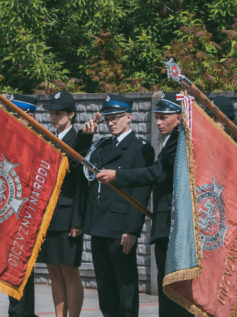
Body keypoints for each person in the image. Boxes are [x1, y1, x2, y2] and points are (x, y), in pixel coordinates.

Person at [95, 92, 191, 317]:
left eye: (163, 117)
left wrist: (118, 176)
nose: (157, 122)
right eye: (156, 117)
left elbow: (156, 174)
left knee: (174, 292)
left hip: (173, 224)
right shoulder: (172, 141)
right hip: (164, 224)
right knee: (168, 292)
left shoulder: (178, 141)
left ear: (179, 117)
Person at [83, 94, 154, 317]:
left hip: (120, 226)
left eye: (116, 117)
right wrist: (87, 137)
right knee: (104, 284)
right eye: (108, 119)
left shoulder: (140, 148)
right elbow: (84, 170)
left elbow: (140, 193)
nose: (111, 122)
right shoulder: (101, 145)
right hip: (99, 224)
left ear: (129, 117)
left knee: (125, 284)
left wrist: (132, 230)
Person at [40, 91, 92, 317]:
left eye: (59, 113)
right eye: (51, 113)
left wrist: (77, 220)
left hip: (68, 214)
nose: (54, 117)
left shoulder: (78, 139)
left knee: (70, 270)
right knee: (53, 270)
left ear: (71, 114)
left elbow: (81, 184)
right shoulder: (48, 138)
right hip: (48, 214)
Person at [6, 93, 39, 317]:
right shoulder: (10, 139)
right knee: (11, 265)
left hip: (28, 212)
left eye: (15, 113)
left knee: (23, 265)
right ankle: (16, 311)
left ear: (28, 116)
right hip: (9, 212)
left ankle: (23, 312)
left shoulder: (37, 140)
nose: (11, 117)